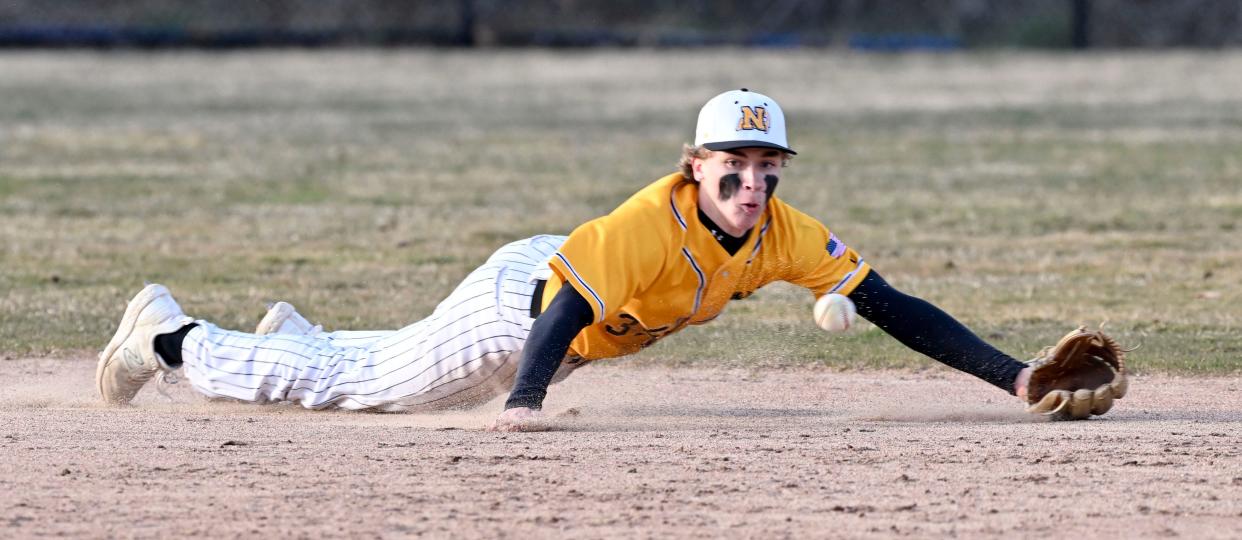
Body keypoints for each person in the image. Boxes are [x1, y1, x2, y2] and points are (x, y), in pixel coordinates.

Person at [97, 89, 1033, 431]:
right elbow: (561, 318)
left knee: (372, 364)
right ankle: (172, 339)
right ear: (694, 166)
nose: (752, 183)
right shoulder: (646, 225)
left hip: (561, 298)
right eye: (732, 166)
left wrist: (1017, 376)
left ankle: (302, 334)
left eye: (766, 166)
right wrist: (525, 400)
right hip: (526, 307)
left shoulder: (783, 232)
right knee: (366, 393)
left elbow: (892, 304)